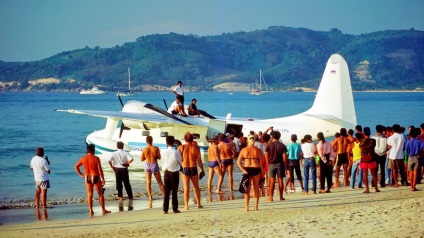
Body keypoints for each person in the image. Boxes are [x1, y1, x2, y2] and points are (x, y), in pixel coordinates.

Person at [74, 144, 111, 216]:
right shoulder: (96, 158)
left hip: (87, 177)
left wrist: (81, 175)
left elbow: (76, 167)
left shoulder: (83, 158)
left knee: (89, 194)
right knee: (100, 193)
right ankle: (103, 210)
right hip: (95, 176)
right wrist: (103, 179)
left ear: (87, 150)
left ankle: (90, 211)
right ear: (93, 150)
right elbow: (100, 170)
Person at [178, 132, 205, 210]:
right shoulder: (196, 148)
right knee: (196, 187)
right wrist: (202, 170)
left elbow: (176, 159)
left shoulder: (181, 147)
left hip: (185, 168)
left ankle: (186, 206)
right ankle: (199, 204)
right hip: (193, 168)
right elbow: (199, 161)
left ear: (185, 139)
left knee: (186, 188)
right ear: (192, 139)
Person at [237, 136, 264, 211]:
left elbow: (238, 162)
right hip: (256, 168)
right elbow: (261, 164)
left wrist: (243, 170)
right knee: (256, 188)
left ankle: (247, 207)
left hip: (247, 169)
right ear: (254, 141)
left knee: (247, 189)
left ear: (247, 141)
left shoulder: (244, 150)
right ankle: (256, 207)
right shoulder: (258, 150)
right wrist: (262, 173)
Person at [141, 136, 165, 204]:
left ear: (146, 141)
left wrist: (147, 156)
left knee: (148, 182)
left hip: (147, 165)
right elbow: (159, 157)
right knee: (160, 182)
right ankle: (164, 195)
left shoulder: (144, 149)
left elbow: (141, 159)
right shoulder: (156, 148)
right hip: (154, 164)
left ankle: (150, 197)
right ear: (152, 140)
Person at [264, 131, 287, 201]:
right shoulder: (282, 146)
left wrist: (268, 164)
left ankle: (271, 197)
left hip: (271, 164)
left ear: (272, 137)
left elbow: (266, 156)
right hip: (280, 164)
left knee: (272, 181)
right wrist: (284, 165)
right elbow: (285, 157)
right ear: (279, 137)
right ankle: (281, 196)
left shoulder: (269, 145)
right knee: (280, 180)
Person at [162, 136, 182, 214]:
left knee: (167, 192)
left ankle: (165, 209)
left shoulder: (163, 151)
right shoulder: (176, 152)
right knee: (174, 191)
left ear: (166, 142)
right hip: (174, 172)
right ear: (174, 142)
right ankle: (175, 208)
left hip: (166, 172)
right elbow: (181, 161)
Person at [30, 147, 51, 214]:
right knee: (44, 193)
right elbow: (48, 171)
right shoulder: (43, 160)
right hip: (43, 178)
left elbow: (31, 168)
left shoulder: (33, 159)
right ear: (42, 152)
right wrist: (47, 162)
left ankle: (37, 206)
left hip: (36, 178)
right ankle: (44, 206)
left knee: (37, 193)